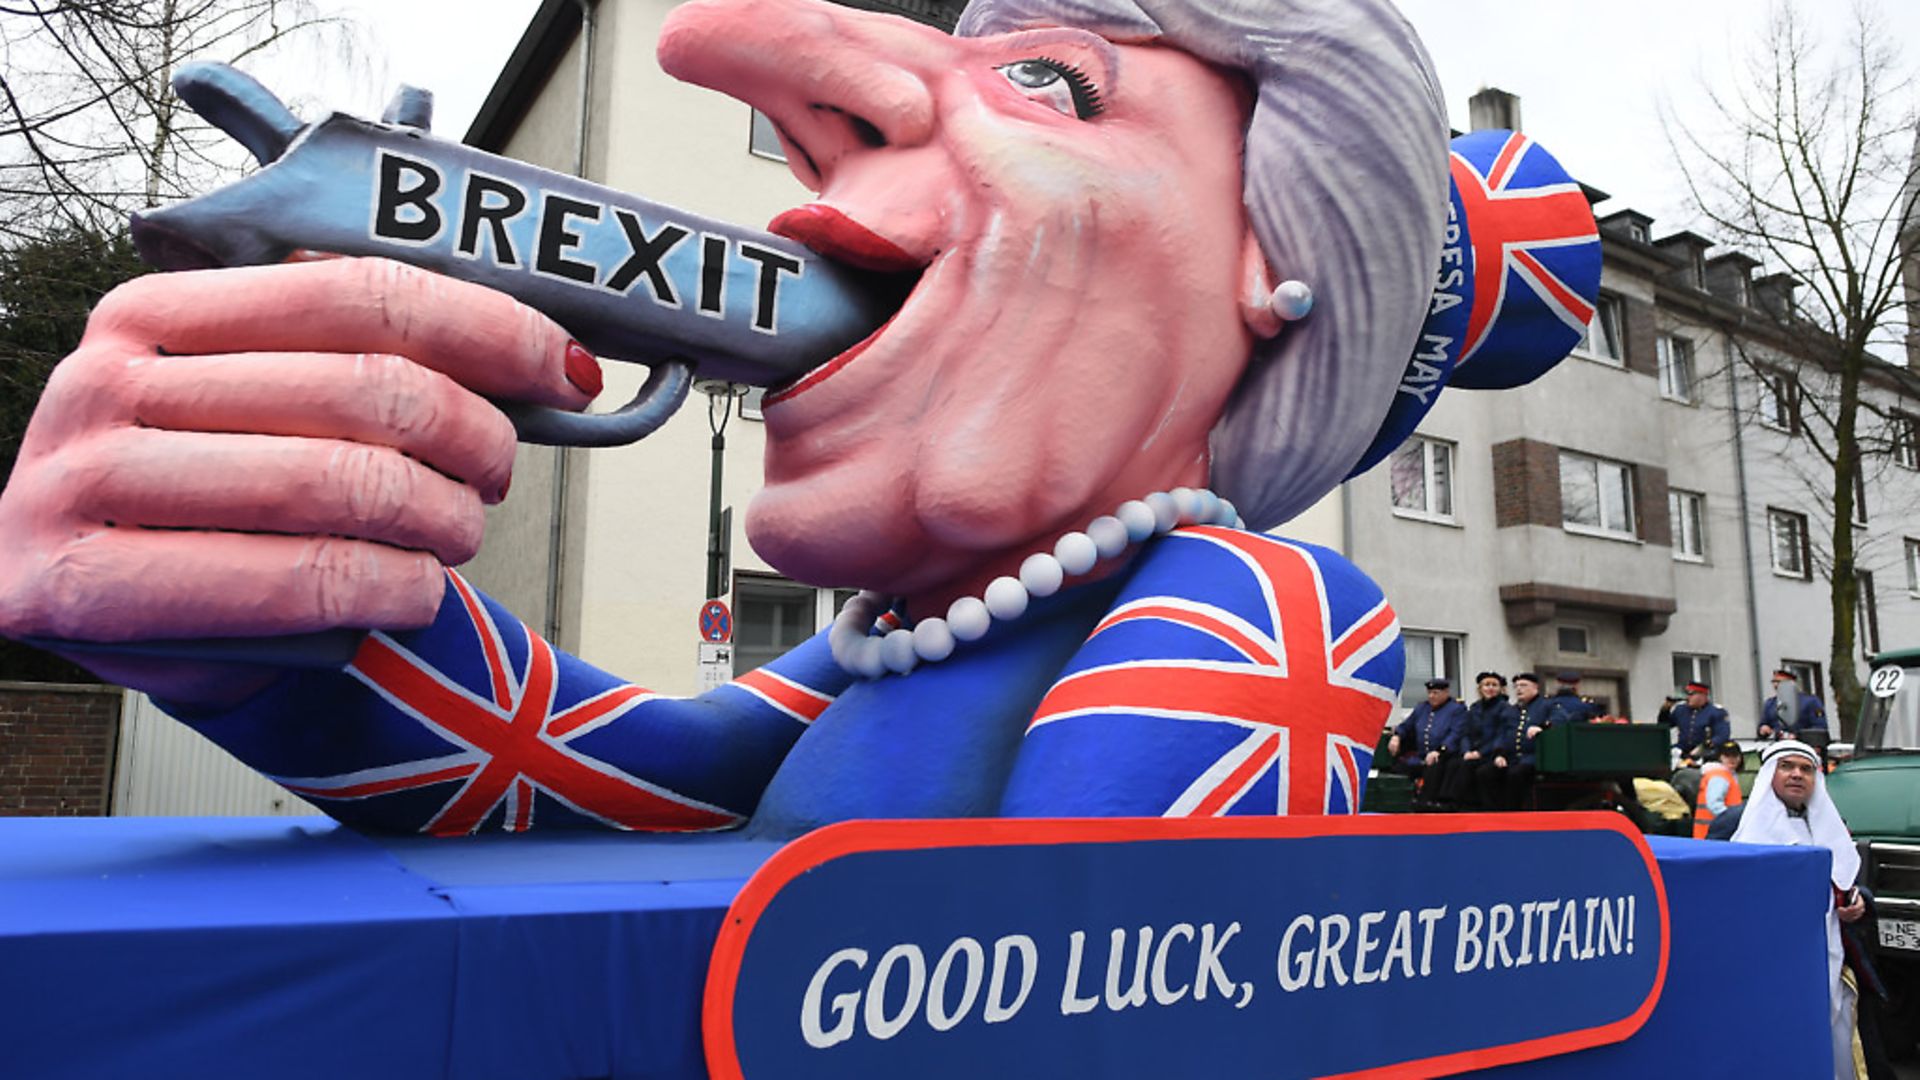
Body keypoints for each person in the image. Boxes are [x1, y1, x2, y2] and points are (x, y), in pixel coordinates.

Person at [0, 0, 1584, 835]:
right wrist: (285, 634)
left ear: (1273, 271)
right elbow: (616, 788)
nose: (726, 47)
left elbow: (1084, 1001)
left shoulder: (1258, 614)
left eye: (1053, 88)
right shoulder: (907, 637)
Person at [1733, 740, 1867, 1078]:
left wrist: (1859, 901)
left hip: (1826, 961)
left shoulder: (1830, 825)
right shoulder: (1735, 824)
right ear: (1769, 774)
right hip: (1766, 963)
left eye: (1806, 769)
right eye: (1787, 766)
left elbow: (1845, 880)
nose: (1797, 775)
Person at [1389, 678, 1468, 807]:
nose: (1431, 696)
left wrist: (1439, 751)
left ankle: (1427, 803)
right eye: (1430, 693)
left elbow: (1455, 734)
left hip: (1444, 755)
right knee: (1397, 768)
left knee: (1434, 768)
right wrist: (1397, 736)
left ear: (1446, 692)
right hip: (1421, 754)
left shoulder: (1456, 709)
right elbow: (1406, 725)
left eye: (1436, 693)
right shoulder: (1422, 708)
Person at [1474, 672, 1537, 811]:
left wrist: (1542, 727)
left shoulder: (1545, 705)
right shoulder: (1512, 710)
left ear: (1535, 687)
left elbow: (1559, 719)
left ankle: (1513, 812)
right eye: (1517, 686)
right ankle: (1492, 812)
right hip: (1512, 757)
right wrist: (1499, 754)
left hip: (1532, 757)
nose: (1519, 689)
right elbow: (1502, 733)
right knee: (1485, 772)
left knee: (1514, 774)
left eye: (1524, 685)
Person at [1662, 680, 1731, 765]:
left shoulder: (1716, 712)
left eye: (1691, 694)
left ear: (1702, 695)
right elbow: (1665, 726)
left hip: (1706, 753)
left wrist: (1703, 747)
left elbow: (1722, 736)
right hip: (1682, 751)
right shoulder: (1681, 709)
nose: (1688, 698)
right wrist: (1665, 710)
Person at [1692, 740, 1744, 839]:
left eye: (1735, 756)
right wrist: (1734, 820)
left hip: (1710, 834)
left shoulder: (1724, 775)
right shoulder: (1719, 777)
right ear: (1720, 757)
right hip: (1715, 835)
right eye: (1727, 756)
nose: (1732, 759)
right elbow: (1714, 805)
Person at [1762, 670, 1830, 743]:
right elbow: (1763, 724)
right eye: (1774, 682)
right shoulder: (1770, 703)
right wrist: (1763, 729)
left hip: (1803, 745)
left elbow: (1819, 727)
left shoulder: (1811, 701)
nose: (1775, 685)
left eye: (1780, 682)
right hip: (1777, 745)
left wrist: (1798, 736)